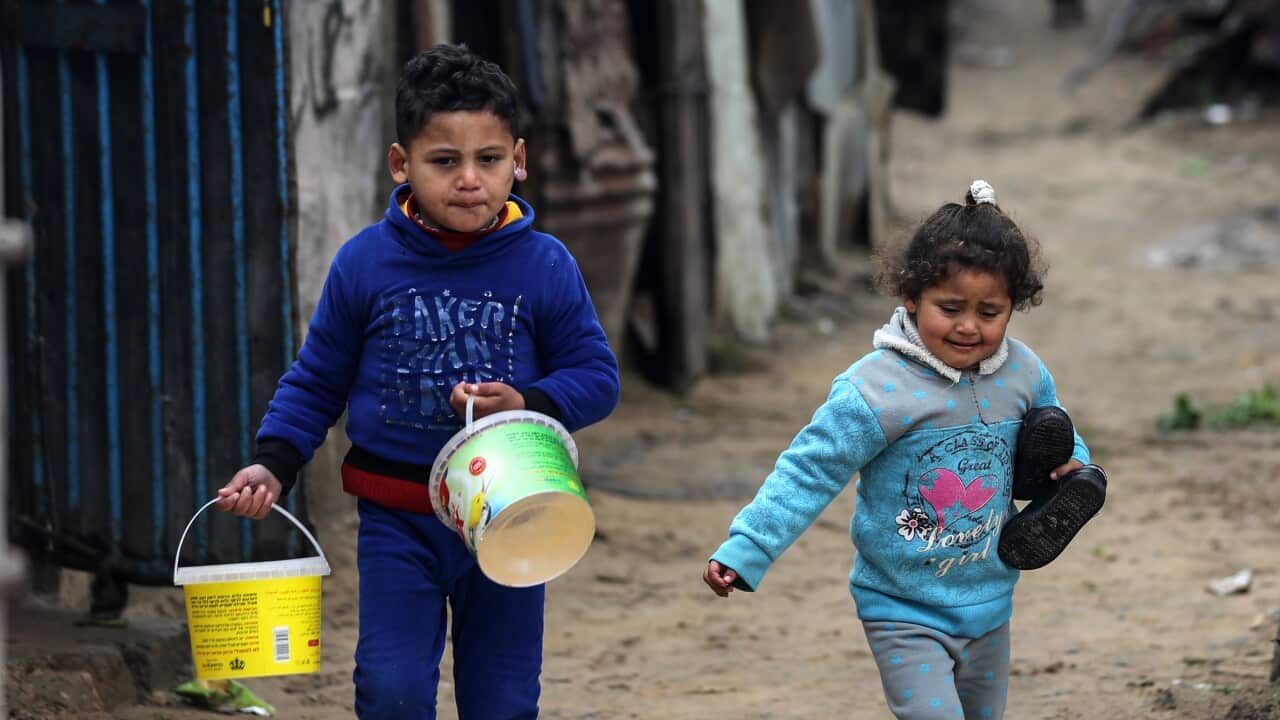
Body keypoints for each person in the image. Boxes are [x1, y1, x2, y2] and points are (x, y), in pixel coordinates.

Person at [214, 43, 620, 719]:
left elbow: (597, 376)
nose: (470, 180)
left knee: (503, 698)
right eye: (444, 161)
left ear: (517, 160)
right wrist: (273, 461)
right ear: (401, 164)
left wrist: (528, 403)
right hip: (397, 520)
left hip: (514, 512)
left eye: (488, 160)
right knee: (389, 687)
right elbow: (317, 381)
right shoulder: (364, 265)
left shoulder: (545, 265)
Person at [703, 180, 1105, 720]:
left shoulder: (1023, 371)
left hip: (990, 594)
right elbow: (808, 471)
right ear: (911, 296)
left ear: (1013, 306)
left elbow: (1054, 424)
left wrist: (1071, 460)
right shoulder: (875, 390)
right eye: (950, 308)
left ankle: (1048, 496)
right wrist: (747, 546)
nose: (968, 326)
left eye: (990, 312)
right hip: (901, 607)